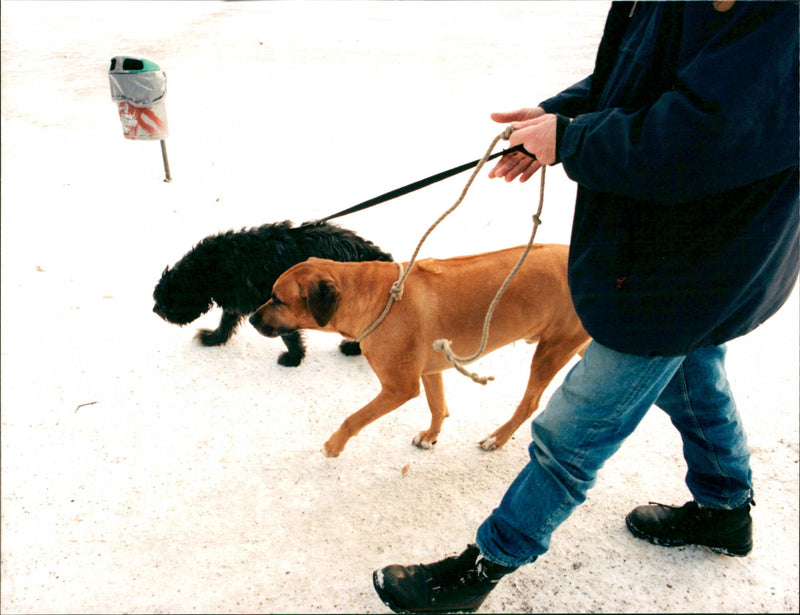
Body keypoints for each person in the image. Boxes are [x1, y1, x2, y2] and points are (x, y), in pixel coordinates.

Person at [372, 2, 799, 613]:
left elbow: (709, 132)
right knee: (692, 376)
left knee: (572, 432)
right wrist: (563, 113)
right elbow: (642, 74)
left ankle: (483, 567)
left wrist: (572, 139)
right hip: (673, 250)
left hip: (695, 258)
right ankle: (724, 510)